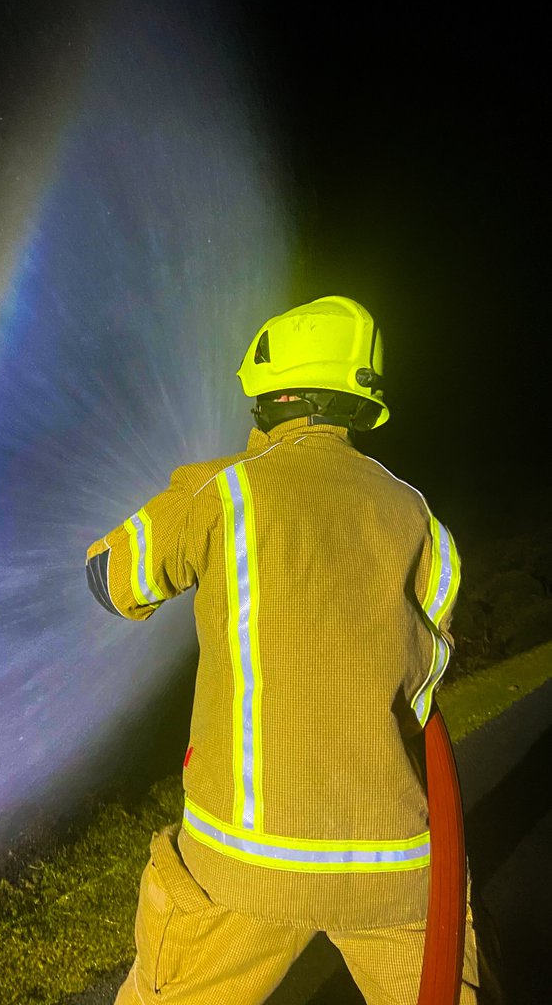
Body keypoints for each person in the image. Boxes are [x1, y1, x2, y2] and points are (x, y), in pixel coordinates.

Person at [85, 296, 484, 1004]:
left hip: (239, 867)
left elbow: (113, 578)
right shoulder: (420, 516)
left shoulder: (220, 491)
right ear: (359, 403)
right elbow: (432, 667)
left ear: (267, 397)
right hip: (391, 868)